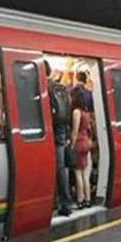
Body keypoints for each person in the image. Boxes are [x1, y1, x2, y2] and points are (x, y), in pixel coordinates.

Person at [45, 62, 72, 216]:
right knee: (60, 169)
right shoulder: (60, 87)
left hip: (50, 130)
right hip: (61, 130)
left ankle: (58, 202)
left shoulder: (43, 88)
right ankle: (65, 203)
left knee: (51, 168)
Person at [69, 86, 92, 209]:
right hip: (86, 142)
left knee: (78, 173)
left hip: (78, 143)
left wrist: (71, 146)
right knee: (85, 174)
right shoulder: (86, 112)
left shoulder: (76, 112)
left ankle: (80, 200)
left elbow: (74, 131)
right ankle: (88, 199)